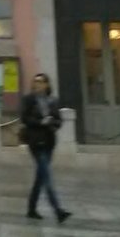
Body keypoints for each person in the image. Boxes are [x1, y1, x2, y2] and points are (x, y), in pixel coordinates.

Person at [20, 72, 71, 224]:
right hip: (35, 142)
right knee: (47, 176)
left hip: (49, 142)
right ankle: (58, 210)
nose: (38, 84)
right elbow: (25, 118)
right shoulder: (29, 99)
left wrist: (52, 123)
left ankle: (31, 209)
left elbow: (58, 120)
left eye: (41, 81)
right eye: (35, 81)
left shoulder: (52, 101)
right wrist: (40, 121)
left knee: (40, 177)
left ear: (47, 84)